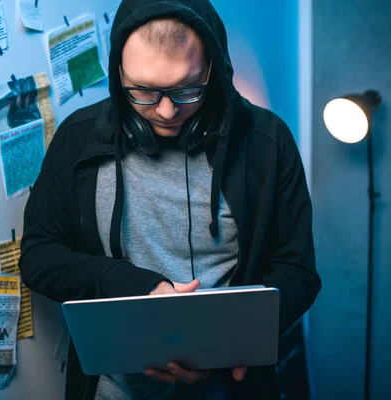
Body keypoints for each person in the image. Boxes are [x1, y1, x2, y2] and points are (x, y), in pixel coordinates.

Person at [19, 0, 321, 399]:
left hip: (230, 386)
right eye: (143, 91)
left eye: (186, 89)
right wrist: (135, 286)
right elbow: (39, 256)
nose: (165, 111)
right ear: (118, 75)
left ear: (214, 69)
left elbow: (298, 272)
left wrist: (225, 346)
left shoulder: (267, 142)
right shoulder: (79, 138)